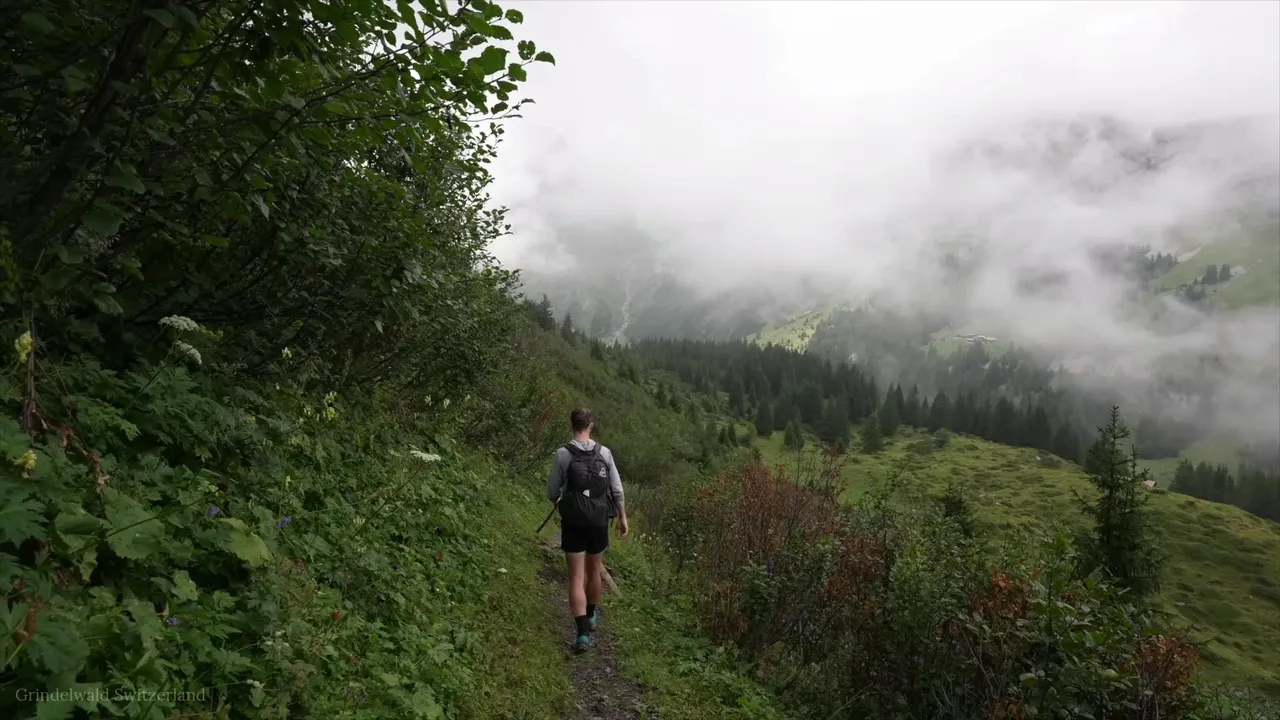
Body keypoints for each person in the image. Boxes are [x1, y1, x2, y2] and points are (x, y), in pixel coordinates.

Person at [546, 408, 629, 652]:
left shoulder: (562, 454)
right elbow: (617, 490)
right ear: (590, 425)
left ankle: (582, 634)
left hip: (574, 523)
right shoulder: (605, 453)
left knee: (576, 577)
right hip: (599, 521)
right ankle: (591, 615)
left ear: (571, 425)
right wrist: (623, 518)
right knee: (594, 572)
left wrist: (565, 504)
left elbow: (552, 491)